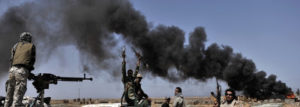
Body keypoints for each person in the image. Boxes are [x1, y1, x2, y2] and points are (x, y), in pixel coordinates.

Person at [5, 32, 36, 107]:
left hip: (12, 70)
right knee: (18, 95)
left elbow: (11, 59)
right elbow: (32, 60)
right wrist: (29, 71)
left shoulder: (15, 45)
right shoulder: (31, 46)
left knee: (9, 94)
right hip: (22, 70)